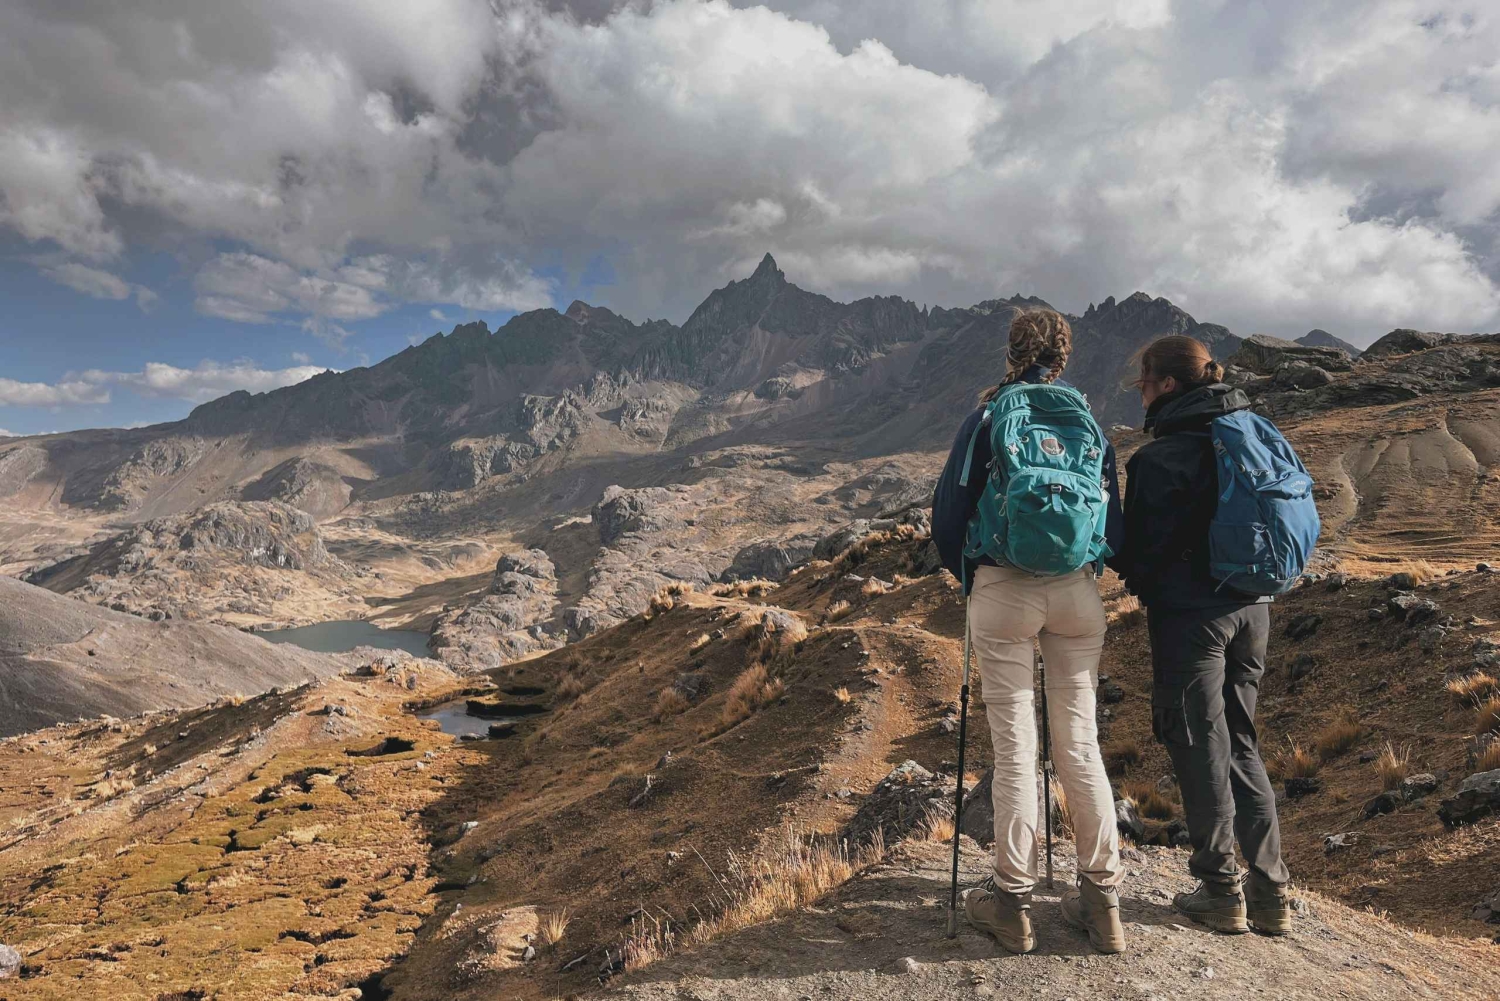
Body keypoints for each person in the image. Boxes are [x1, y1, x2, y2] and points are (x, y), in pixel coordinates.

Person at [932, 308, 1127, 955]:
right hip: (1076, 594)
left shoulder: (990, 418)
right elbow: (1113, 525)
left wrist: (972, 574)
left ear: (1010, 352)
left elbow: (947, 515)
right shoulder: (1088, 422)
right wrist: (1081, 567)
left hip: (1003, 590)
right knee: (1081, 743)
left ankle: (1011, 903)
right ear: (1063, 357)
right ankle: (1102, 902)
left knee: (1016, 750)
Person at [1112, 334, 1292, 936]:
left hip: (1193, 619)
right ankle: (1271, 893)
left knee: (1196, 744)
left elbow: (1141, 551)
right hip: (1254, 610)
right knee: (1241, 740)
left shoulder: (1160, 460)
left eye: (1143, 382)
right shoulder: (1248, 435)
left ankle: (1220, 890)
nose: (1140, 394)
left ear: (1165, 385)